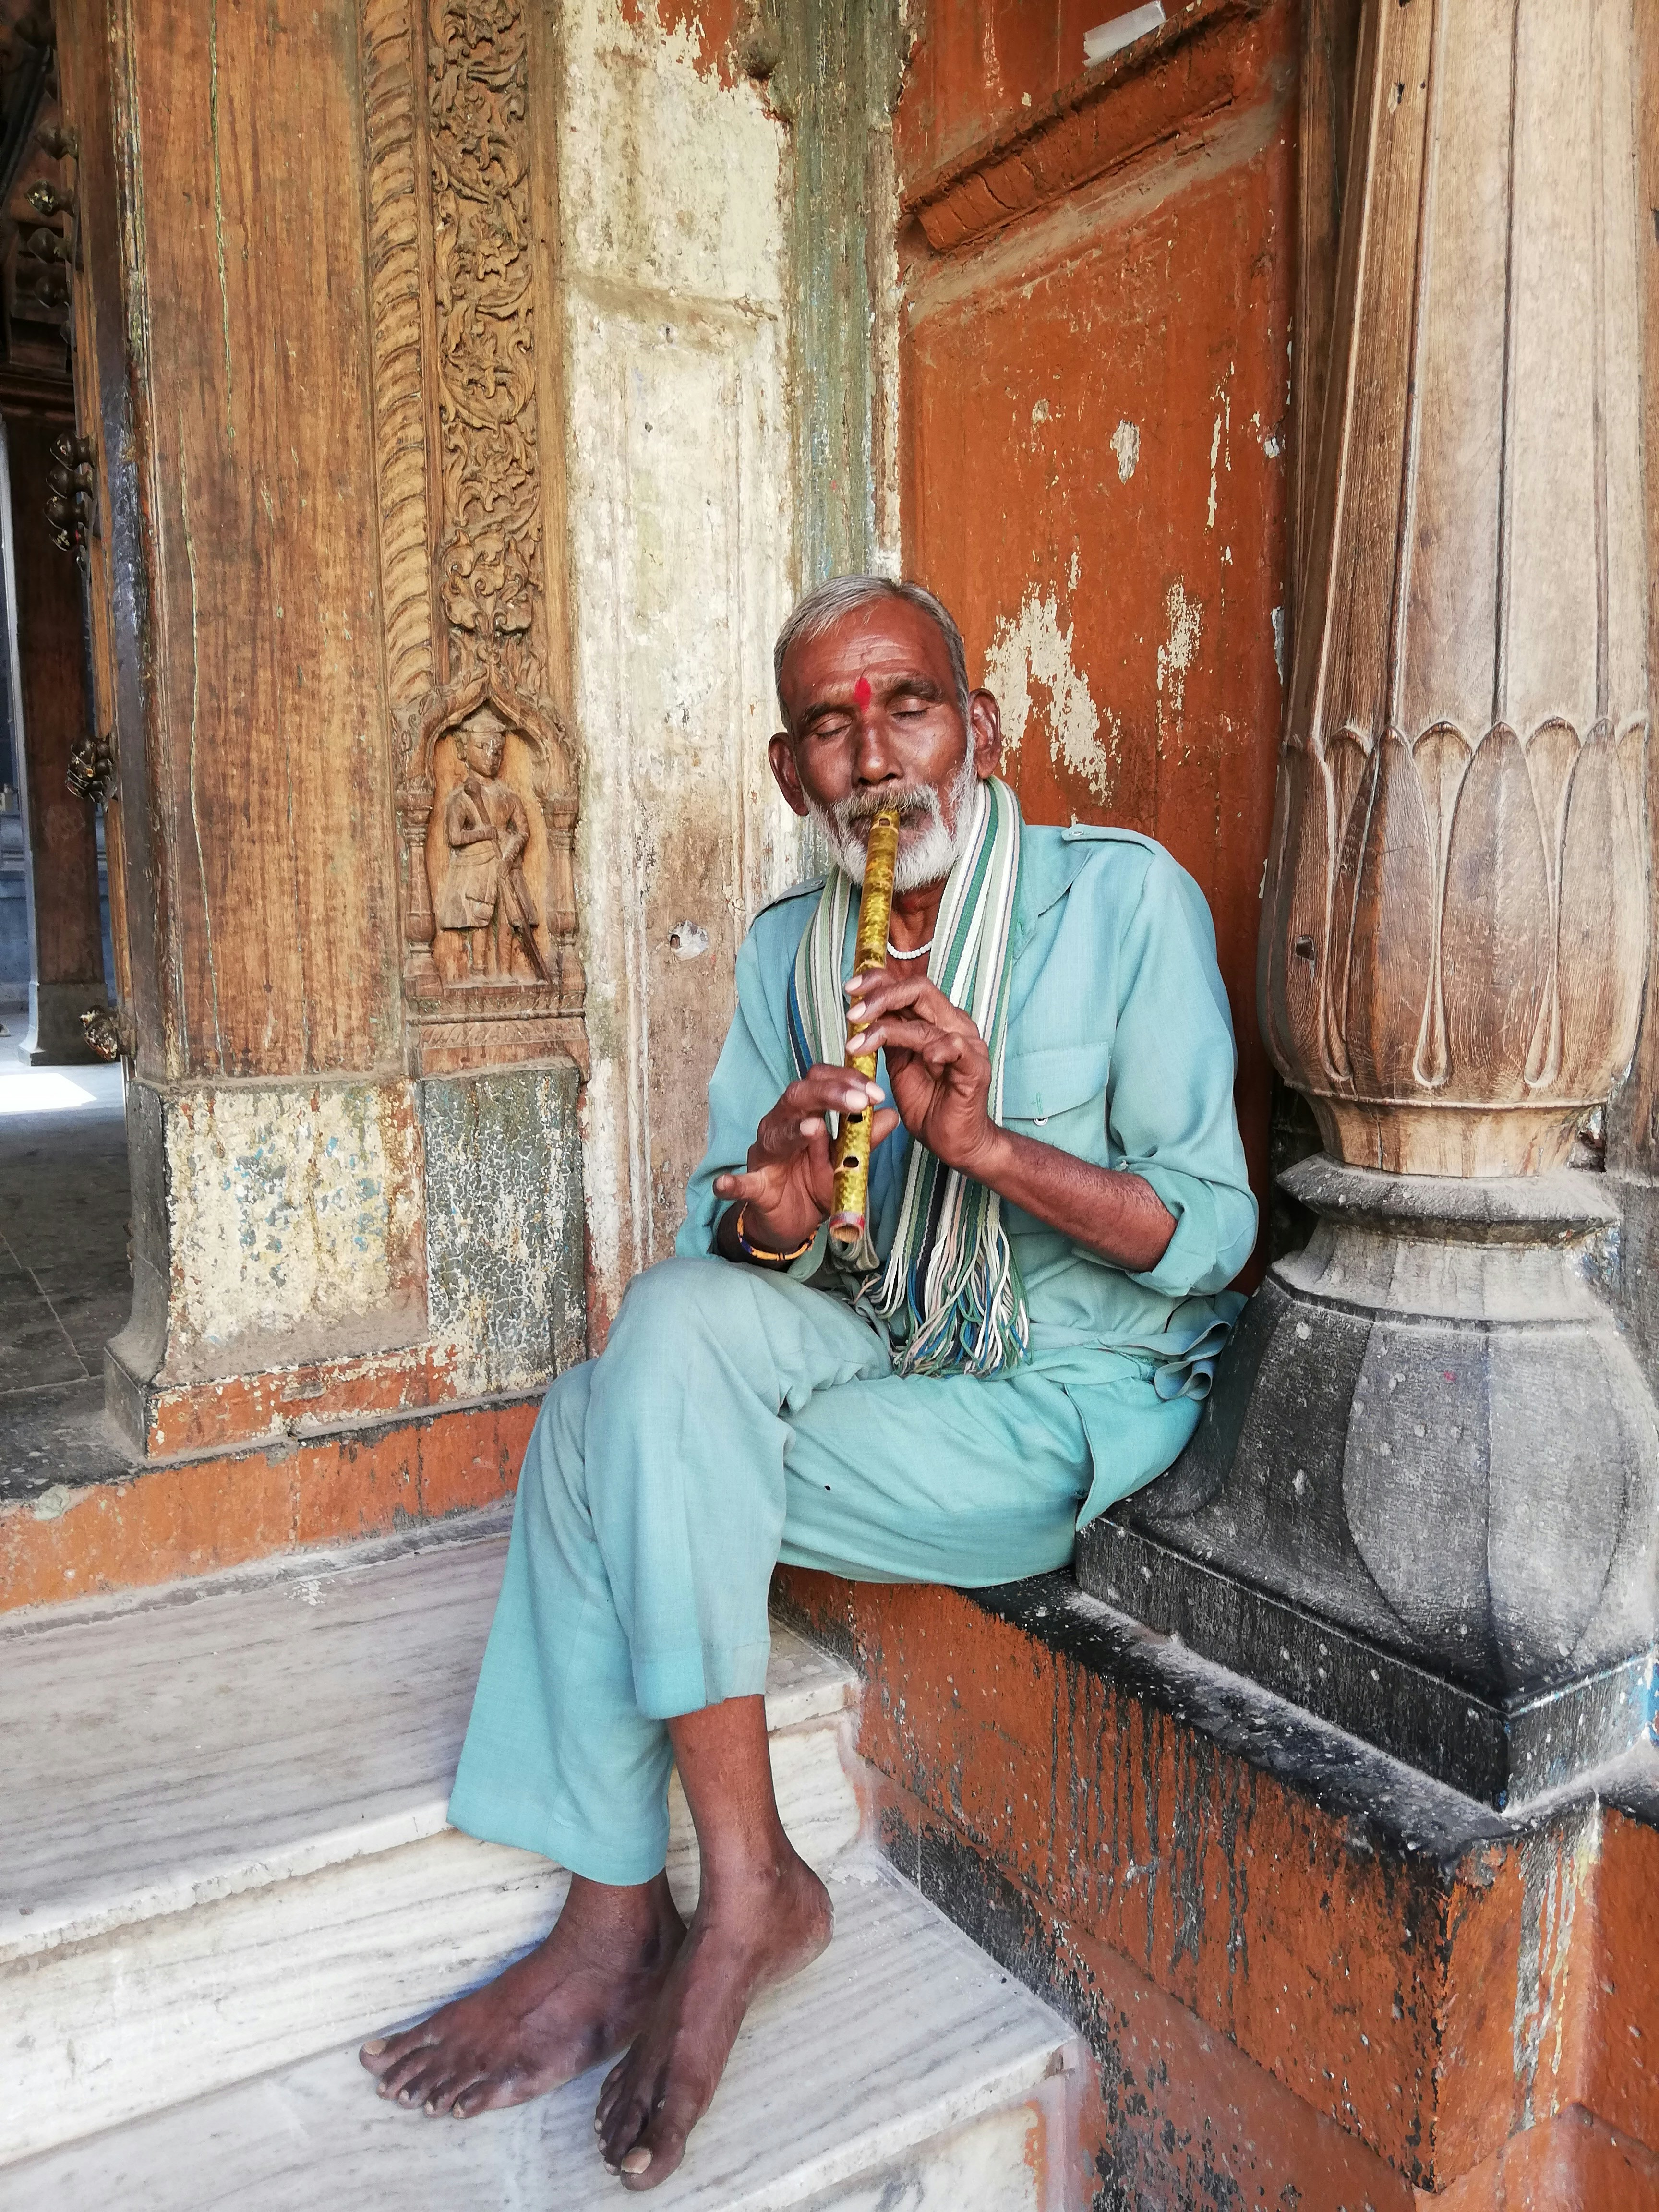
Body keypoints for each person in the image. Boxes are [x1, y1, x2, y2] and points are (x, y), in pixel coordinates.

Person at [360, 575, 1257, 2188]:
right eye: (831, 728)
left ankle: (626, 1912)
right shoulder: (791, 948)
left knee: (596, 1423)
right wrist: (769, 1218)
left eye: (907, 706)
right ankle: (726, 1881)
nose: (875, 756)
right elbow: (747, 1239)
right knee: (665, 1331)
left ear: (976, 729)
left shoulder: (1122, 905)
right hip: (873, 1342)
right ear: (793, 776)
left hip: (1063, 1392)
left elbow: (1211, 1237)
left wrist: (987, 1149)